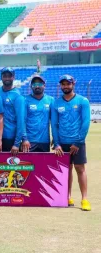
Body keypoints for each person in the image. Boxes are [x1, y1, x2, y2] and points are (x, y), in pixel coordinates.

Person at [51, 75, 91, 211]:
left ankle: (84, 199)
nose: (65, 87)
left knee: (80, 169)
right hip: (62, 144)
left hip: (77, 143)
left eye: (68, 84)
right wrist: (56, 144)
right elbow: (54, 125)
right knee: (65, 171)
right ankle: (67, 197)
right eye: (63, 84)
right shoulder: (56, 103)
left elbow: (85, 123)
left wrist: (78, 142)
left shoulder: (82, 101)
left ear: (73, 84)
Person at [0, 67, 25, 155]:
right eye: (5, 76)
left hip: (10, 138)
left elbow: (21, 120)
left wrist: (16, 143)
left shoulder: (17, 95)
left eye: (9, 76)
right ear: (1, 77)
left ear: (13, 77)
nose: (7, 78)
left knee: (9, 166)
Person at [22, 74, 55, 152]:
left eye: (39, 84)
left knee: (43, 164)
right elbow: (22, 121)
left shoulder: (51, 100)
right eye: (34, 84)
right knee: (28, 164)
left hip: (45, 141)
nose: (37, 86)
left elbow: (54, 122)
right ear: (31, 86)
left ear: (44, 85)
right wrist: (24, 139)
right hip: (29, 142)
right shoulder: (25, 100)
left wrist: (56, 139)